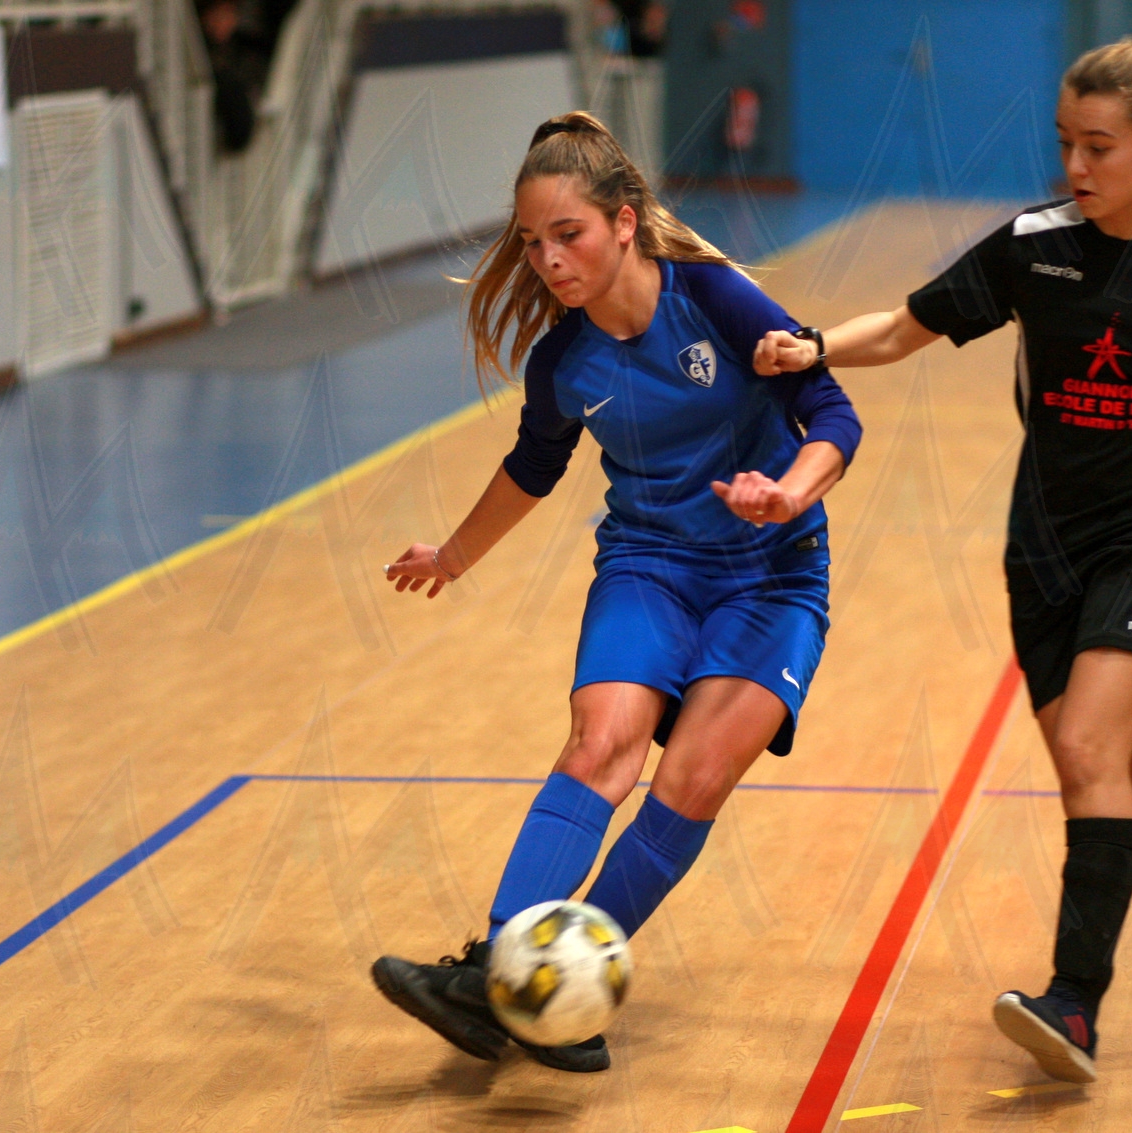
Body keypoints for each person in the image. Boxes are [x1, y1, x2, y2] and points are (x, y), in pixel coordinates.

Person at [753, 40, 1132, 1084]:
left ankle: (1073, 1003)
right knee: (1113, 783)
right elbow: (902, 329)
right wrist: (813, 345)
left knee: (1087, 747)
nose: (1076, 165)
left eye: (1099, 146)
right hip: (1041, 547)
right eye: (1065, 143)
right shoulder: (1033, 248)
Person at [370, 111, 861, 1073]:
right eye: (532, 243)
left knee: (693, 779)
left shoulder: (715, 297)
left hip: (772, 575)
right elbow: (534, 466)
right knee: (602, 744)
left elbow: (832, 410)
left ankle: (557, 986)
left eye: (569, 234)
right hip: (649, 565)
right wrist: (454, 555)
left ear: (625, 222)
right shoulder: (564, 361)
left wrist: (790, 491)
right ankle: (498, 970)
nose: (549, 260)